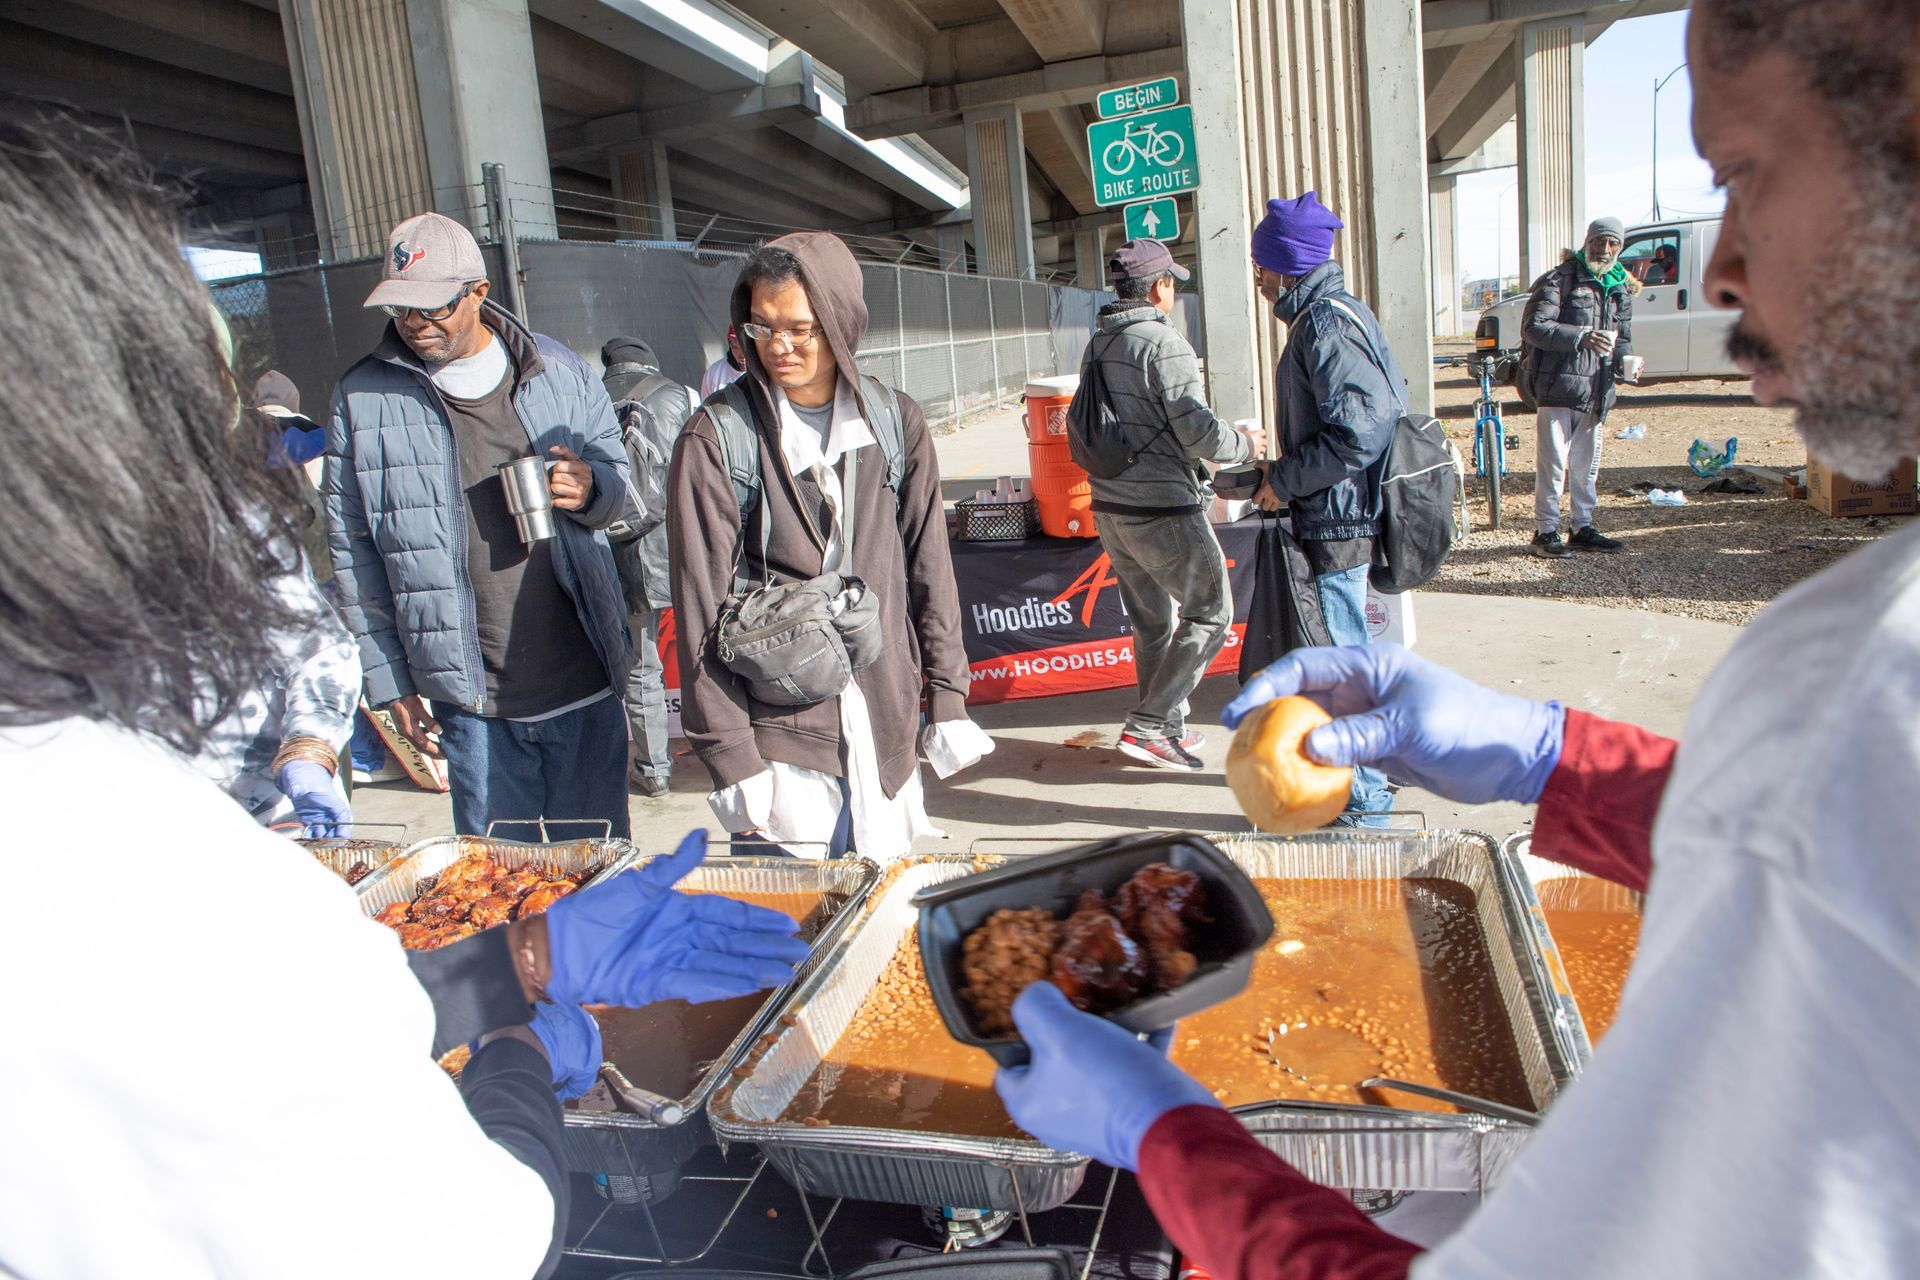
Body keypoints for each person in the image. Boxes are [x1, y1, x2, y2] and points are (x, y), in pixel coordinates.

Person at [994, 4, 1920, 1272]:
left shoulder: (1864, 678)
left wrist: (1173, 1139)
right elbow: (1847, 845)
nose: (1718, 266)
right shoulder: (1863, 680)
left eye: (1746, 172)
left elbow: (1831, 836)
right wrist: (1560, 760)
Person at [0, 123, 810, 1279]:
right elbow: (473, 1238)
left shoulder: (561, 372)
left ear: (479, 293)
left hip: (573, 667)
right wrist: (516, 1042)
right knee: (496, 852)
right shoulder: (143, 873)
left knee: (579, 861)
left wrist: (509, 963)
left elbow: (269, 1049)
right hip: (463, 683)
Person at [667, 233, 991, 857]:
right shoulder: (716, 438)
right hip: (780, 740)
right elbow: (698, 611)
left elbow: (929, 568)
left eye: (800, 328)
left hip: (885, 720)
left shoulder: (895, 422)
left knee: (877, 928)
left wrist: (947, 694)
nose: (778, 346)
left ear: (841, 322)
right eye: (761, 327)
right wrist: (731, 756)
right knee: (792, 938)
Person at [325, 212, 636, 840]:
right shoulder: (362, 399)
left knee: (603, 886)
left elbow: (626, 485)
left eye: (433, 307)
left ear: (479, 293)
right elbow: (353, 552)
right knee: (497, 897)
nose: (416, 326)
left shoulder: (557, 370)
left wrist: (592, 487)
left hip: (583, 683)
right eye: (401, 311)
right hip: (471, 706)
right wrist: (389, 684)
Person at [1247, 190, 1402, 824]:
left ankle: (1362, 808)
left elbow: (1359, 432)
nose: (1257, 278)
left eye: (1261, 265)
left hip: (1338, 517)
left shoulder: (1323, 323)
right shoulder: (1337, 313)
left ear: (1286, 264)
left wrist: (1283, 479)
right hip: (1341, 509)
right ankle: (1371, 786)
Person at [1078, 239, 1261, 771]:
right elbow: (1200, 433)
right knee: (1211, 612)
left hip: (1110, 505)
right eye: (1172, 283)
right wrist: (1249, 445)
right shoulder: (1163, 342)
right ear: (1159, 287)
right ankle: (1150, 725)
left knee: (1152, 623)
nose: (1174, 291)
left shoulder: (1099, 342)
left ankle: (1164, 730)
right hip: (1162, 507)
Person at [600, 335, 696, 797]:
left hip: (619, 555)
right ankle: (726, 746)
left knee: (642, 666)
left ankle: (655, 769)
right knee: (711, 649)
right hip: (679, 550)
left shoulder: (589, 399)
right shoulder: (676, 394)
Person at [1521, 216, 1640, 558]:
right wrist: (1581, 337)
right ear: (1587, 242)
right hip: (1557, 386)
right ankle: (1545, 531)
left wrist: (1626, 363)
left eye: (1612, 243)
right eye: (1599, 241)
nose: (1604, 249)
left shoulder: (1620, 287)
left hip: (1597, 391)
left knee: (1587, 467)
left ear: (1620, 247)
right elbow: (1534, 327)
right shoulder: (1559, 279)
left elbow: (1623, 340)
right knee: (1553, 465)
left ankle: (1582, 527)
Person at [700, 324, 747, 399]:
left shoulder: (763, 371)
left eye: (745, 347)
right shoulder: (713, 374)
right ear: (729, 344)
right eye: (736, 347)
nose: (742, 354)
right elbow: (705, 408)